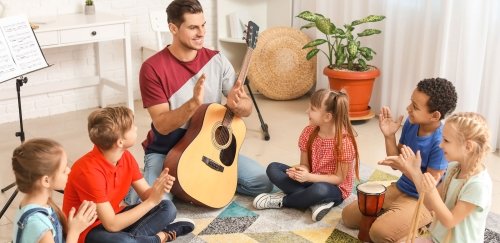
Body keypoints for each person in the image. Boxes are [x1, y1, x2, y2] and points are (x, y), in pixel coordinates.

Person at [127, 0, 272, 204]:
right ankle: (140, 185)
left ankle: (194, 186)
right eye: (193, 27)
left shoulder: (217, 60)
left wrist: (238, 104)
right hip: (168, 153)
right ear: (173, 28)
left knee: (262, 183)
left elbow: (246, 107)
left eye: (203, 25)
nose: (201, 33)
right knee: (152, 206)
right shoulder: (152, 68)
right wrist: (192, 105)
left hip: (207, 150)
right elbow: (161, 124)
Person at [341, 77, 458, 242]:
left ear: (435, 115)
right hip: (401, 188)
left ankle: (424, 221)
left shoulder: (441, 141)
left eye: (415, 107)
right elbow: (397, 163)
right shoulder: (412, 123)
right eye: (411, 102)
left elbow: (428, 186)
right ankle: (396, 217)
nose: (408, 108)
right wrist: (389, 136)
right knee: (348, 217)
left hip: (423, 201)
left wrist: (407, 168)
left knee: (378, 233)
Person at [62, 106, 194, 243]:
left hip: (115, 216)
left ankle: (136, 240)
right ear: (120, 142)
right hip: (87, 231)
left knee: (168, 208)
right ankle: (161, 237)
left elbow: (145, 194)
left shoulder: (125, 157)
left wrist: (157, 190)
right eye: (132, 127)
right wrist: (151, 201)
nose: (136, 128)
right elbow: (112, 224)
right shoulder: (88, 172)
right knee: (124, 241)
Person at [252, 89, 360, 222]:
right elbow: (305, 164)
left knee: (319, 190)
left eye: (312, 109)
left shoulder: (344, 142)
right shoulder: (309, 132)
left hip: (333, 188)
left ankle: (283, 201)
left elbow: (338, 178)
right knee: (273, 168)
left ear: (327, 117)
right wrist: (301, 171)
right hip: (310, 180)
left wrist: (308, 177)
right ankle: (313, 201)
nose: (307, 111)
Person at [386, 112, 492, 243]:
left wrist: (431, 191)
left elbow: (450, 221)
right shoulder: (453, 167)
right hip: (437, 238)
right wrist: (415, 172)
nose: (440, 145)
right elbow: (430, 205)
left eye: (446, 140)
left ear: (468, 146)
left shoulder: (478, 185)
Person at [11, 138, 97, 243]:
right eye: (63, 169)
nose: (69, 170)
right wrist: (74, 232)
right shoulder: (40, 226)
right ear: (46, 180)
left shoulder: (30, 203)